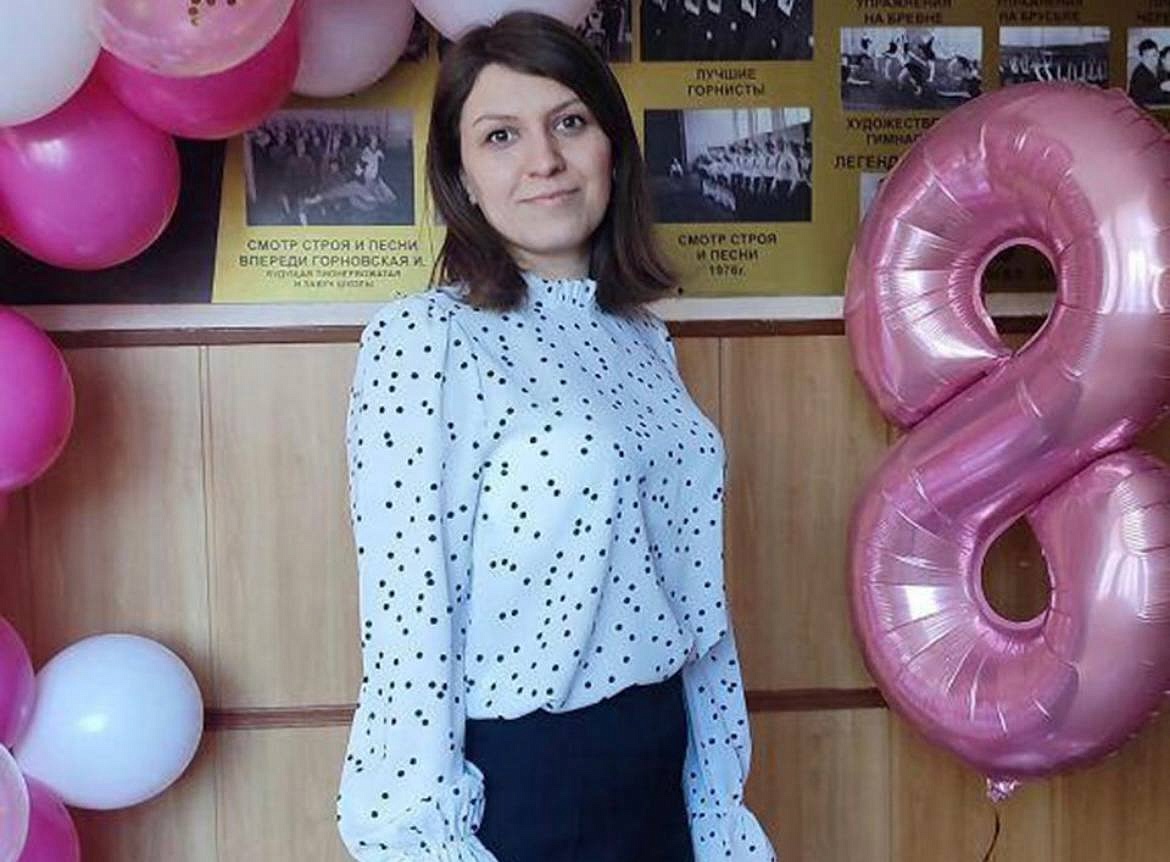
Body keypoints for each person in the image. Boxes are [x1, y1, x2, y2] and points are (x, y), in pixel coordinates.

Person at [336, 11, 775, 862]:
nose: (543, 159)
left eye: (569, 122)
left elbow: (696, 602)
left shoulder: (642, 338)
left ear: (612, 149)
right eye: (500, 136)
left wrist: (717, 796)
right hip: (532, 778)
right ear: (462, 177)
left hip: (661, 759)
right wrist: (424, 835)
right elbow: (408, 614)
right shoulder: (426, 338)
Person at [1129, 37, 1162, 106]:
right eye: (1147, 57)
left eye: (1154, 55)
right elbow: (1142, 98)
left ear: (1158, 54)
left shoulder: (1161, 69)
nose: (1151, 60)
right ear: (1141, 58)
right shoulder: (1139, 74)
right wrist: (1161, 88)